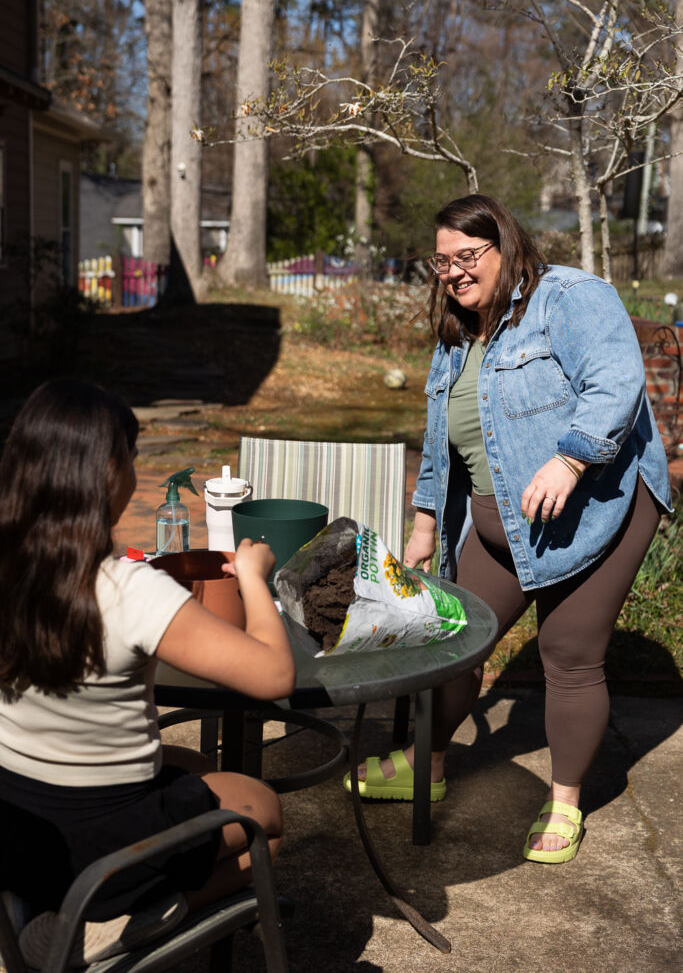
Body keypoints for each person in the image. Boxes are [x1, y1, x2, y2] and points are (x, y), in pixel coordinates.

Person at [345, 194, 672, 864]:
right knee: (455, 640)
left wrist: (570, 457)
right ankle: (424, 764)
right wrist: (423, 521)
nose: (455, 273)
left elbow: (616, 381)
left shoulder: (569, 297)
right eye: (442, 262)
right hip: (503, 517)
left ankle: (563, 801)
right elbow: (444, 439)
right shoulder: (459, 330)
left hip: (597, 506)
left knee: (567, 653)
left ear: (506, 245)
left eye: (468, 257)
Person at [0, 378, 295, 965]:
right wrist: (254, 576)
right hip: (100, 843)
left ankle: (57, 911)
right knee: (265, 812)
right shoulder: (127, 589)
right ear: (109, 471)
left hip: (20, 826)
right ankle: (126, 920)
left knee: (198, 767)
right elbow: (273, 675)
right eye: (132, 458)